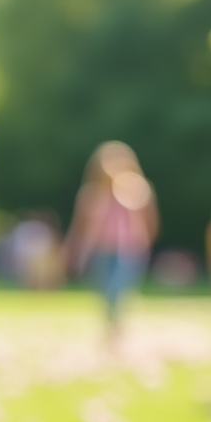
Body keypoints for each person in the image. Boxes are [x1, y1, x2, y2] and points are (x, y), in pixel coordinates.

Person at [63, 142, 159, 337]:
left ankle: (116, 329)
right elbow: (80, 227)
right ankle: (111, 327)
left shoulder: (136, 189)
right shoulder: (92, 193)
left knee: (118, 289)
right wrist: (72, 251)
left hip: (129, 250)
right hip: (100, 249)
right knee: (105, 292)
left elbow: (149, 221)